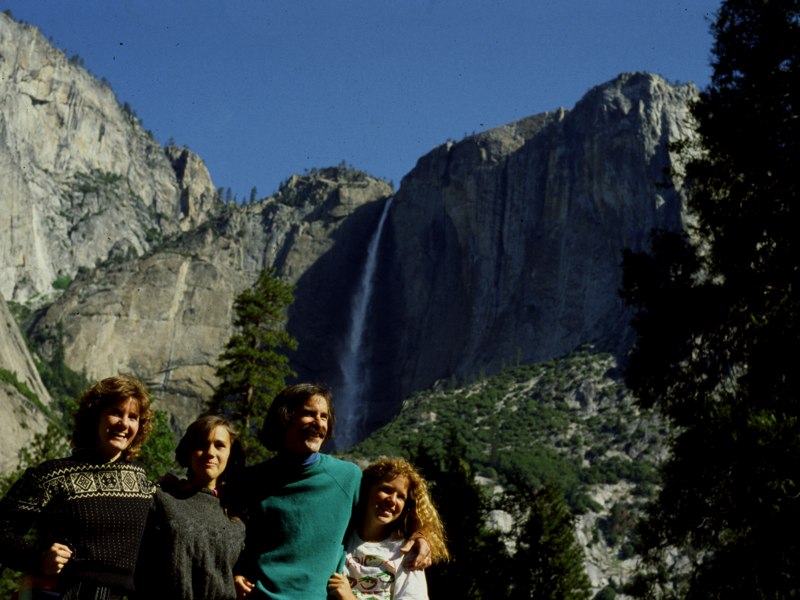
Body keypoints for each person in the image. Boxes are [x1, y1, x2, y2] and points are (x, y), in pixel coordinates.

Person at [233, 383, 430, 600]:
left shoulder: (348, 478)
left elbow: (387, 511)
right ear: (285, 417)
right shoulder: (252, 479)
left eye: (324, 416)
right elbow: (231, 534)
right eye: (309, 414)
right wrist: (235, 572)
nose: (318, 423)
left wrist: (423, 535)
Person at [0, 375, 155, 600]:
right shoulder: (51, 475)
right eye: (115, 412)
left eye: (133, 417)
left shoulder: (142, 482)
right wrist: (39, 558)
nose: (124, 423)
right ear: (94, 417)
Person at [136, 414, 247, 600]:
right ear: (188, 451)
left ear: (230, 453)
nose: (210, 452)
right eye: (202, 445)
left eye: (219, 445)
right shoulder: (162, 499)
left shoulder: (238, 513)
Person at [327, 457, 450, 600]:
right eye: (386, 490)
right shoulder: (340, 536)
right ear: (367, 490)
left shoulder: (406, 553)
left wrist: (349, 598)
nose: (392, 500)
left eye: (401, 497)